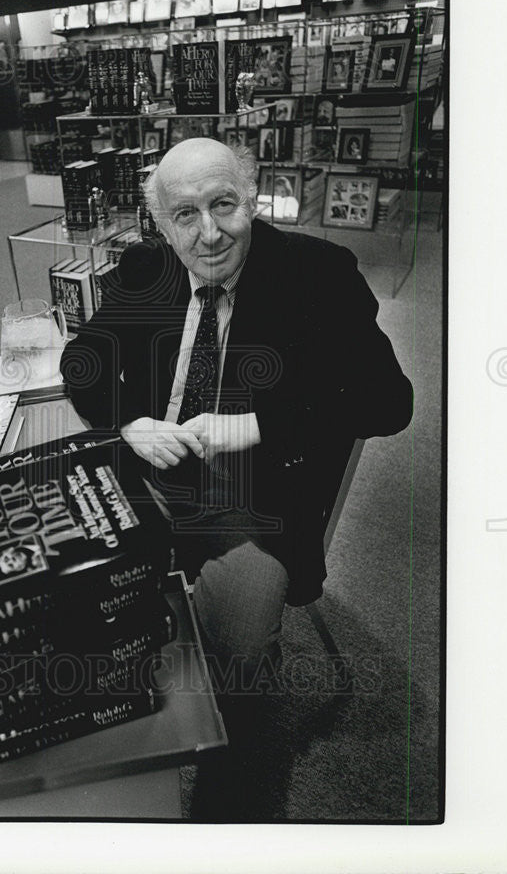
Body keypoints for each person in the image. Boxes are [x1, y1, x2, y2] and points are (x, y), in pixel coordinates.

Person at [60, 138, 412, 689]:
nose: (208, 233)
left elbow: (389, 401)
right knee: (64, 603)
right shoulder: (150, 266)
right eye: (184, 214)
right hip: (147, 474)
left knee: (232, 661)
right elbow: (84, 359)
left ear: (251, 200)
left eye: (223, 204)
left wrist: (258, 424)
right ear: (161, 224)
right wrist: (133, 422)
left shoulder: (318, 275)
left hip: (254, 502)